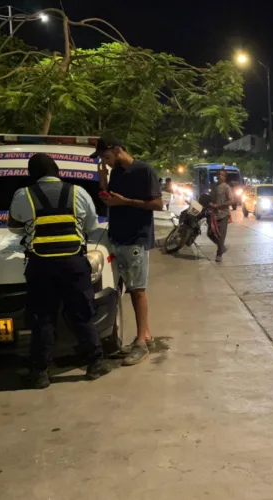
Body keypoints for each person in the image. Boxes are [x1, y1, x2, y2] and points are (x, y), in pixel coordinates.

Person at [8, 153, 112, 388]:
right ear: (57, 171)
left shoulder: (23, 194)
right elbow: (91, 225)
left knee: (42, 317)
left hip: (41, 264)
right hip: (73, 263)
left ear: (32, 173)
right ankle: (95, 363)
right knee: (82, 314)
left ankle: (40, 373)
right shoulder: (78, 192)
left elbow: (15, 228)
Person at [93, 136, 164, 366]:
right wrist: (103, 182)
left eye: (106, 157)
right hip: (118, 238)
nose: (105, 161)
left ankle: (141, 344)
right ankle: (146, 336)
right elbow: (111, 201)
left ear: (117, 150)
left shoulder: (144, 171)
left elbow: (158, 204)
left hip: (136, 239)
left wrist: (126, 201)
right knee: (130, 290)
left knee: (138, 291)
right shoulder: (116, 173)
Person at [209, 167, 234, 262]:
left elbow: (231, 201)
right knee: (210, 233)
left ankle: (219, 254)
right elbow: (211, 199)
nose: (220, 176)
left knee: (221, 235)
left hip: (224, 214)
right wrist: (210, 204)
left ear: (225, 177)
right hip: (214, 214)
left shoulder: (226, 187)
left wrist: (219, 205)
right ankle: (222, 247)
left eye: (222, 175)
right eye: (219, 174)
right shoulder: (214, 186)